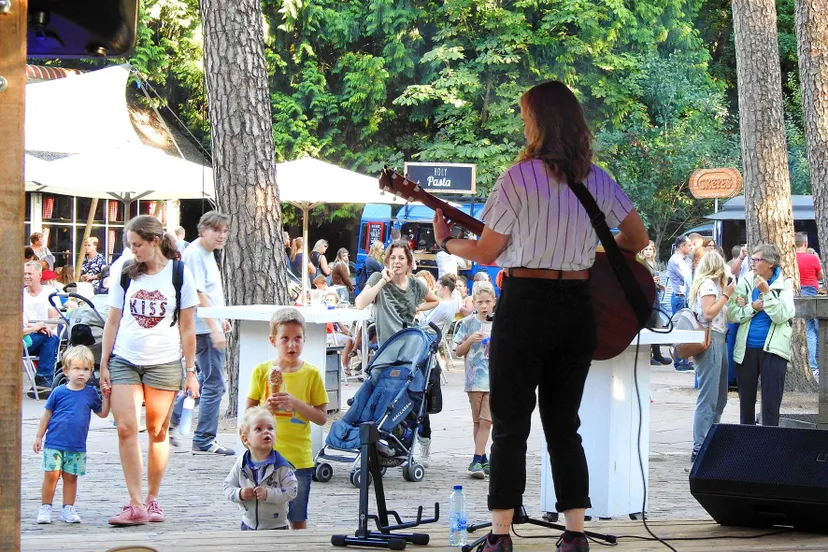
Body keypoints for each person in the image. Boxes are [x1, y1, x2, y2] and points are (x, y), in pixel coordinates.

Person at [432, 80, 648, 552]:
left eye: (526, 116)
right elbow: (637, 239)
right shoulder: (598, 179)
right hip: (577, 306)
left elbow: (488, 251)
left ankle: (500, 536)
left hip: (526, 303)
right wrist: (589, 253)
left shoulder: (518, 178)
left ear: (540, 123)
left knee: (510, 423)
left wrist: (446, 240)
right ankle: (575, 534)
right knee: (563, 423)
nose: (522, 123)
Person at [101, 215, 201, 526]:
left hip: (164, 361)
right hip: (125, 358)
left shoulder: (179, 273)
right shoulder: (125, 271)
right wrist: (103, 362)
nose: (133, 251)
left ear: (155, 241)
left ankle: (152, 497)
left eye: (137, 245)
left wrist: (190, 371)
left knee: (157, 431)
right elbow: (113, 320)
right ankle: (135, 503)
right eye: (130, 245)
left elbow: (187, 327)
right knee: (126, 428)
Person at [245, 309, 328, 529]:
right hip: (264, 459)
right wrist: (265, 408)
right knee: (262, 516)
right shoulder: (261, 371)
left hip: (298, 460)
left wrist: (296, 403)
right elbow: (247, 415)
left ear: (304, 339)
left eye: (298, 338)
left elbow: (321, 418)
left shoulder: (311, 374)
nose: (292, 345)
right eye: (285, 339)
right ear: (273, 341)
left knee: (297, 518)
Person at [169, 211, 235, 455]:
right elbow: (198, 295)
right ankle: (204, 438)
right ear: (203, 230)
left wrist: (220, 318)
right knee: (215, 384)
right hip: (202, 328)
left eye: (225, 231)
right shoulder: (196, 254)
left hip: (207, 325)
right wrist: (214, 328)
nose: (222, 235)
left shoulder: (206, 253)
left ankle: (171, 419)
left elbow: (209, 292)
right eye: (216, 230)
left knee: (206, 381)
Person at [33, 346, 111, 524]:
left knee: (71, 478)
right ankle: (45, 507)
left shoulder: (90, 393)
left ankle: (68, 508)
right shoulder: (58, 392)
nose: (81, 373)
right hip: (54, 443)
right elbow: (47, 415)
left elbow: (102, 413)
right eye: (77, 368)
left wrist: (106, 397)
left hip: (76, 445)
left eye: (86, 369)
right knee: (51, 476)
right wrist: (39, 436)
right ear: (66, 371)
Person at [728, 244, 795, 426]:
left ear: (770, 263)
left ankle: (770, 441)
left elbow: (782, 316)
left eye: (757, 260)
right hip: (746, 349)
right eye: (752, 259)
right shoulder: (746, 281)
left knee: (771, 405)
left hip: (773, 351)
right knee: (746, 403)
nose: (753, 263)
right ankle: (747, 440)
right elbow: (732, 314)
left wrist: (767, 293)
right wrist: (752, 307)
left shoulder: (784, 284)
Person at [688, 252, 735, 463]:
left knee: (719, 397)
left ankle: (709, 441)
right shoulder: (708, 285)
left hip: (719, 338)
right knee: (709, 397)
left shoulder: (711, 285)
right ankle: (700, 446)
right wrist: (726, 295)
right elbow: (708, 313)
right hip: (711, 339)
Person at [224, 406, 298, 531]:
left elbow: (292, 491)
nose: (266, 432)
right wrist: (239, 493)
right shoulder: (241, 464)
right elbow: (227, 486)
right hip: (248, 525)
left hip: (277, 526)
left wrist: (268, 494)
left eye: (270, 428)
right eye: (258, 429)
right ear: (245, 439)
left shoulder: (281, 466)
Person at [356, 241, 440, 346]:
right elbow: (359, 304)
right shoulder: (377, 278)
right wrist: (383, 281)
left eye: (401, 258)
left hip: (409, 346)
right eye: (393, 258)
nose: (396, 261)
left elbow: (435, 301)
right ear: (387, 261)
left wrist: (417, 308)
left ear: (409, 262)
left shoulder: (415, 284)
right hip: (387, 347)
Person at [454, 282, 497, 480]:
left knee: (487, 421)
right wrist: (471, 339)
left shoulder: (499, 323)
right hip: (474, 380)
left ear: (494, 301)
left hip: (495, 379)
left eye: (487, 301)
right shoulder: (467, 323)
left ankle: (476, 459)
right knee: (478, 422)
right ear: (474, 302)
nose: (484, 306)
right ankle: (482, 458)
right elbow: (458, 351)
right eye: (480, 302)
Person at [23, 261, 60, 390]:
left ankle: (43, 382)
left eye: (29, 274)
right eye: (24, 274)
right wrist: (35, 328)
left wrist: (43, 328)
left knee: (49, 337)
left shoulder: (49, 293)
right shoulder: (20, 294)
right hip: (26, 336)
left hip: (43, 334)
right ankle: (43, 381)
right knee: (51, 339)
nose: (26, 276)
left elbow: (53, 319)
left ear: (39, 275)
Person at [637, 241, 671, 365]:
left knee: (655, 324)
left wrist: (659, 285)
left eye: (650, 249)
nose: (648, 252)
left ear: (654, 251)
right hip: (646, 297)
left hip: (654, 294)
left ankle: (656, 353)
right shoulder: (641, 263)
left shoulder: (654, 263)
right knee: (648, 324)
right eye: (645, 249)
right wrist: (651, 280)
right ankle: (650, 355)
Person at [795, 232, 822, 378]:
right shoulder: (812, 258)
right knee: (811, 328)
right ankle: (813, 365)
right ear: (805, 244)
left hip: (794, 294)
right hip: (810, 294)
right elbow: (820, 276)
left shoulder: (789, 258)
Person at [667, 235, 693, 371]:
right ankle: (679, 362)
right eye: (689, 245)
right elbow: (687, 277)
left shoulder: (687, 259)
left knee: (686, 329)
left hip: (685, 297)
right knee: (679, 330)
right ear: (681, 246)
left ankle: (685, 361)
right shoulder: (675, 261)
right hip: (679, 297)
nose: (691, 248)